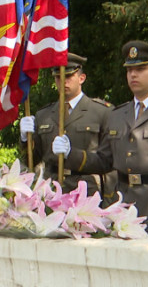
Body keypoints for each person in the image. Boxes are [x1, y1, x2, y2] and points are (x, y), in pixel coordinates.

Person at [52, 40, 148, 236]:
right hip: (122, 210)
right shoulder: (118, 114)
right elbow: (104, 160)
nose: (133, 74)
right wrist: (70, 153)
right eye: (129, 70)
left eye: (141, 69)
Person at [19, 53, 115, 199]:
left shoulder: (101, 112)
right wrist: (25, 139)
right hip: (51, 192)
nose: (63, 81)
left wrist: (72, 154)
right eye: (58, 77)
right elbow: (31, 161)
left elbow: (108, 161)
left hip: (86, 193)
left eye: (68, 76)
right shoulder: (44, 115)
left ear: (82, 78)